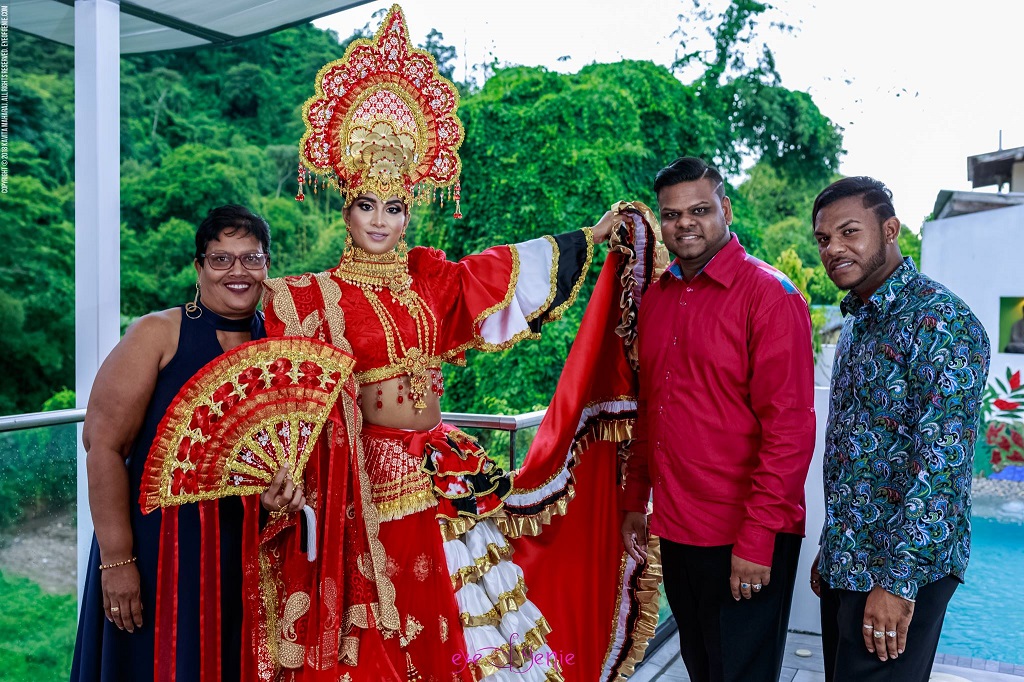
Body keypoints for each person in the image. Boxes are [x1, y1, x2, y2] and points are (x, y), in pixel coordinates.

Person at [136, 8, 661, 681]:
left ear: (411, 209)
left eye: (395, 206)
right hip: (364, 487)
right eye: (366, 204)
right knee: (381, 642)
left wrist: (588, 237)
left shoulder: (430, 278)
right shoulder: (306, 296)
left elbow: (499, 270)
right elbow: (262, 370)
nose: (380, 220)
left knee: (466, 638)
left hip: (442, 473)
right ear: (344, 207)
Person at [70, 205, 290, 680]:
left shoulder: (278, 342)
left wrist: (278, 500)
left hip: (241, 547)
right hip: (156, 549)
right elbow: (102, 446)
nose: (238, 271)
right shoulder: (158, 333)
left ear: (268, 266)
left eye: (251, 258)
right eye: (221, 259)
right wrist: (118, 560)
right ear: (199, 267)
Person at [620, 156, 817, 682]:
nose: (684, 223)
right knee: (703, 666)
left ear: (725, 209)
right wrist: (636, 498)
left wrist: (757, 540)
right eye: (671, 214)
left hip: (745, 534)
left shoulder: (770, 297)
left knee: (741, 674)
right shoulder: (658, 298)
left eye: (700, 209)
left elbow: (790, 430)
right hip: (679, 529)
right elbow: (651, 410)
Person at [809, 176, 991, 682]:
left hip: (901, 569)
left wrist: (899, 582)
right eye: (824, 239)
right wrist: (833, 547)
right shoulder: (859, 321)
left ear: (890, 230)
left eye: (850, 232)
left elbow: (943, 466)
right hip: (851, 557)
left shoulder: (940, 320)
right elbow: (851, 452)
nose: (834, 249)